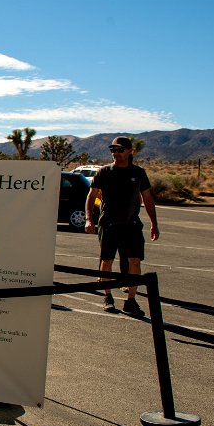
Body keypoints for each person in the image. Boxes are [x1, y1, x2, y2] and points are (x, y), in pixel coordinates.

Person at [85, 136, 159, 317]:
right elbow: (91, 196)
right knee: (107, 261)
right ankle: (108, 297)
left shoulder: (139, 173)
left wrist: (154, 224)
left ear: (129, 151)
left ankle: (131, 301)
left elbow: (148, 200)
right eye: (113, 150)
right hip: (109, 224)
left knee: (134, 261)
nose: (115, 153)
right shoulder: (104, 172)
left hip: (131, 225)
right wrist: (89, 218)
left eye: (119, 150)